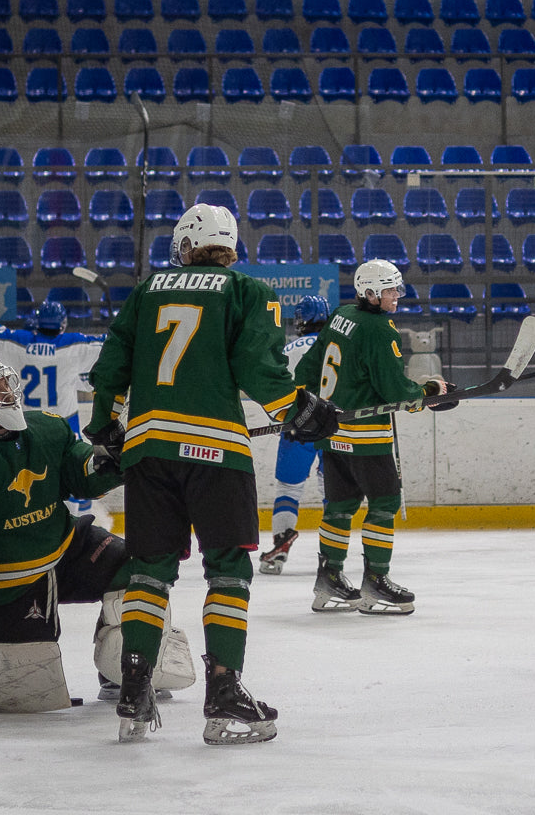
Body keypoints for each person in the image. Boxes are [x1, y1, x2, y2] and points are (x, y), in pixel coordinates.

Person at [84, 203, 340, 745]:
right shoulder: (248, 291)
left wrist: (106, 424)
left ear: (184, 245)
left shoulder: (149, 289)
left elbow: (111, 368)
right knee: (227, 572)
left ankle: (133, 690)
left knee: (149, 570)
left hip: (149, 451)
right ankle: (224, 699)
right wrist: (296, 408)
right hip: (216, 451)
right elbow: (259, 369)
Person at [0, 355, 196, 711]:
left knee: (138, 566)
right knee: (29, 683)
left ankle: (122, 672)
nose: (7, 393)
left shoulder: (47, 427)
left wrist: (115, 458)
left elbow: (82, 472)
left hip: (67, 548)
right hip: (6, 579)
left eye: (7, 384)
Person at [293, 259, 458, 616]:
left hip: (332, 433)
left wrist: (304, 409)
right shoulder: (380, 330)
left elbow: (307, 369)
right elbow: (394, 391)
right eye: (390, 290)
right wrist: (428, 392)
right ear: (370, 293)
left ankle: (329, 579)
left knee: (339, 507)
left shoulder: (339, 317)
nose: (397, 295)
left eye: (397, 288)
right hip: (367, 437)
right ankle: (376, 582)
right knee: (384, 504)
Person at [0, 295, 107, 517]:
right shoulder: (74, 345)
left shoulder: (20, 343)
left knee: (29, 478)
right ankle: (77, 529)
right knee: (75, 474)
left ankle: (31, 525)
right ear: (62, 324)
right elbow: (109, 344)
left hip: (29, 426)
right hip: (65, 427)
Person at [259, 295, 331, 574]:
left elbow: (277, 389)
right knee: (331, 492)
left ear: (302, 319)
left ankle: (280, 546)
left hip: (297, 429)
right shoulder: (336, 345)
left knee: (288, 489)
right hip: (335, 427)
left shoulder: (289, 348)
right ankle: (331, 555)